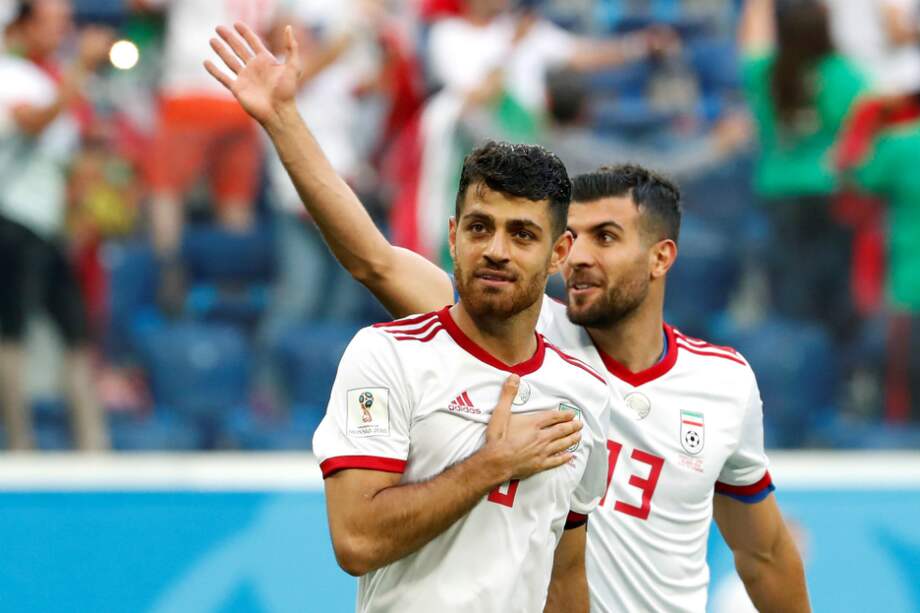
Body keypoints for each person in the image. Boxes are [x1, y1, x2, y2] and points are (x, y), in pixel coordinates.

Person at [203, 19, 810, 612]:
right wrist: (284, 121)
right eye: (576, 237)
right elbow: (375, 261)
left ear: (661, 257)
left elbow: (763, 553)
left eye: (606, 238)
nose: (583, 258)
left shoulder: (723, 382)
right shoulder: (527, 327)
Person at [207, 25, 614, 612]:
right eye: (479, 228)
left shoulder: (584, 390)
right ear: (452, 237)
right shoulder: (391, 352)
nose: (496, 249)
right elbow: (355, 540)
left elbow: (564, 577)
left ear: (558, 253)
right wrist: (490, 465)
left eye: (522, 234)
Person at [0, 0, 110, 451]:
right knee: (11, 329)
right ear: (23, 25)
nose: (63, 32)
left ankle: (93, 444)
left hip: (47, 223)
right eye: (54, 23)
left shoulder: (48, 76)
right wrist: (82, 68)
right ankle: (20, 441)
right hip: (11, 217)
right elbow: (34, 123)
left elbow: (67, 152)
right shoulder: (9, 72)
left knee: (76, 330)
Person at [739, 0, 866, 342]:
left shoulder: (766, 71)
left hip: (780, 195)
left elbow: (751, 42)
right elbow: (863, 139)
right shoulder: (844, 75)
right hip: (833, 194)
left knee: (791, 292)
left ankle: (798, 370)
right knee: (836, 288)